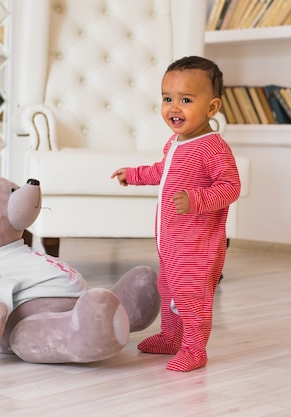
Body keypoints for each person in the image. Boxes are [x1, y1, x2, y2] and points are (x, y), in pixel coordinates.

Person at [110, 56, 241, 372]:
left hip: (197, 245)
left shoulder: (213, 148)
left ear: (211, 108)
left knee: (191, 295)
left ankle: (195, 350)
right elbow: (163, 171)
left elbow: (231, 187)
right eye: (167, 99)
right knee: (168, 290)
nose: (173, 108)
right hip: (171, 242)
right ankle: (171, 337)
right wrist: (135, 174)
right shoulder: (176, 142)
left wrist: (196, 200)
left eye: (185, 100)